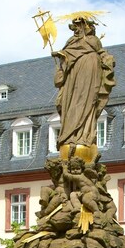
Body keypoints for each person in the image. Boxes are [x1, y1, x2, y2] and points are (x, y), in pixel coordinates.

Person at [52, 17, 116, 149]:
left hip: (89, 74)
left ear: (85, 26)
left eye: (78, 26)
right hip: (72, 78)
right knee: (69, 103)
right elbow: (68, 57)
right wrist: (61, 56)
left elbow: (102, 55)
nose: (75, 29)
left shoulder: (93, 40)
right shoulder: (71, 41)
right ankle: (70, 136)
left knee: (87, 101)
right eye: (74, 27)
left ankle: (84, 135)